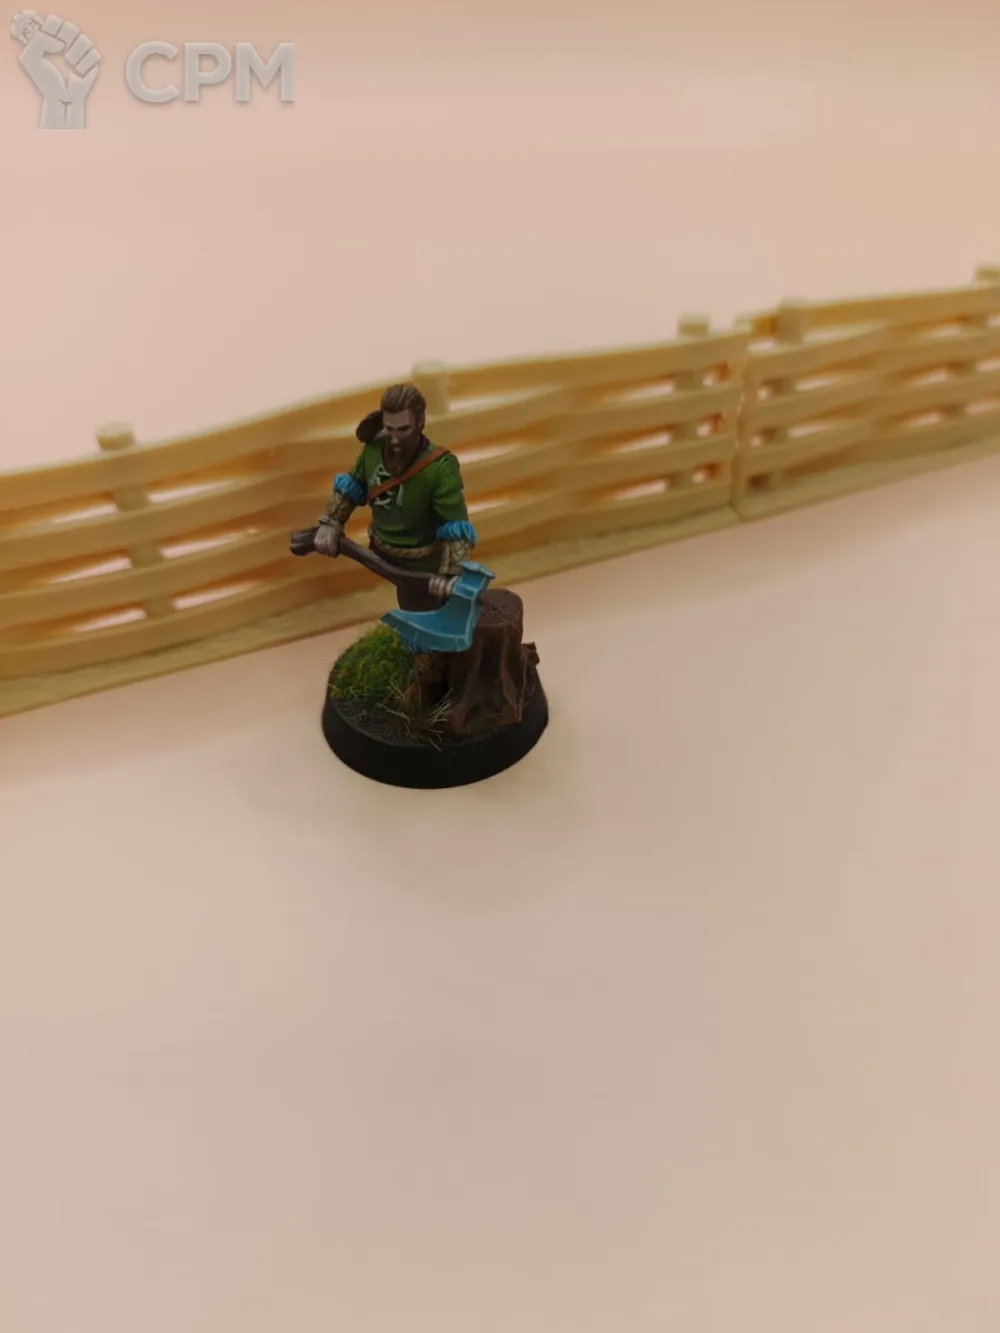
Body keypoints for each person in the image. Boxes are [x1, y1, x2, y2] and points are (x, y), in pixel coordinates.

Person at [314, 383, 477, 612]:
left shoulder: (441, 468)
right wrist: (331, 522)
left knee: (423, 612)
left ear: (420, 423)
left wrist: (451, 573)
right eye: (390, 429)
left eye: (403, 429)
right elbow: (352, 486)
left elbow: (455, 525)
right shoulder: (373, 450)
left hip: (422, 563)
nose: (395, 439)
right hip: (381, 552)